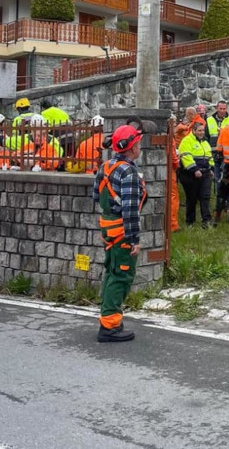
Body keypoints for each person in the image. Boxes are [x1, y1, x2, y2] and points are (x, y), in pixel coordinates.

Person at [93, 125, 146, 343]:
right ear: (132, 147)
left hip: (108, 226)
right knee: (121, 275)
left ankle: (109, 316)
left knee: (111, 271)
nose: (140, 146)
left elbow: (96, 196)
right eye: (138, 143)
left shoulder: (106, 166)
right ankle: (110, 326)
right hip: (122, 230)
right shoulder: (129, 171)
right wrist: (134, 239)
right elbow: (130, 209)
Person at [178, 121, 214, 228]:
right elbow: (185, 156)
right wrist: (194, 170)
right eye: (199, 130)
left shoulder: (205, 142)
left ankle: (206, 221)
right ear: (193, 131)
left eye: (203, 130)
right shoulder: (187, 141)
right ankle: (190, 222)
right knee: (192, 198)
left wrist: (211, 168)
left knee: (205, 197)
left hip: (205, 173)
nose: (201, 133)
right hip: (190, 174)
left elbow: (209, 157)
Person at [206, 100, 229, 198]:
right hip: (214, 152)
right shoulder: (209, 120)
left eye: (224, 109)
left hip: (227, 152)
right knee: (217, 176)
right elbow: (206, 137)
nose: (222, 111)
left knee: (226, 176)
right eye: (220, 108)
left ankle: (226, 198)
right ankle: (219, 198)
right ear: (216, 108)